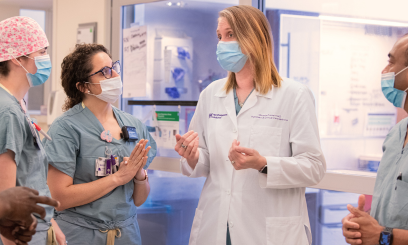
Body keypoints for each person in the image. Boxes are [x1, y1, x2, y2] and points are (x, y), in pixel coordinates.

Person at [175, 5, 326, 245]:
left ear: (253, 38)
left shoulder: (294, 95)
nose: (222, 43)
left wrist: (263, 164)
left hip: (268, 232)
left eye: (230, 35)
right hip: (215, 226)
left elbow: (314, 167)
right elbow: (205, 161)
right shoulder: (210, 94)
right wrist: (192, 156)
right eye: (219, 36)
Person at [43, 43, 157, 245]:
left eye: (113, 67)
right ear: (83, 86)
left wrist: (139, 175)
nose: (114, 75)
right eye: (104, 72)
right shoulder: (66, 128)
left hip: (126, 234)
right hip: (80, 235)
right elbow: (58, 198)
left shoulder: (133, 125)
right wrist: (117, 178)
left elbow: (138, 200)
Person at [0, 0, 59, 244]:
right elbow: (2, 200)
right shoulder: (4, 111)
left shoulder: (13, 104)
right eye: (41, 52)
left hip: (33, 229)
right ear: (18, 58)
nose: (46, 58)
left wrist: (51, 224)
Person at [342, 34, 408, 245]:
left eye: (391, 62)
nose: (384, 71)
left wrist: (383, 236)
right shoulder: (397, 133)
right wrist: (362, 224)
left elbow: (383, 233)